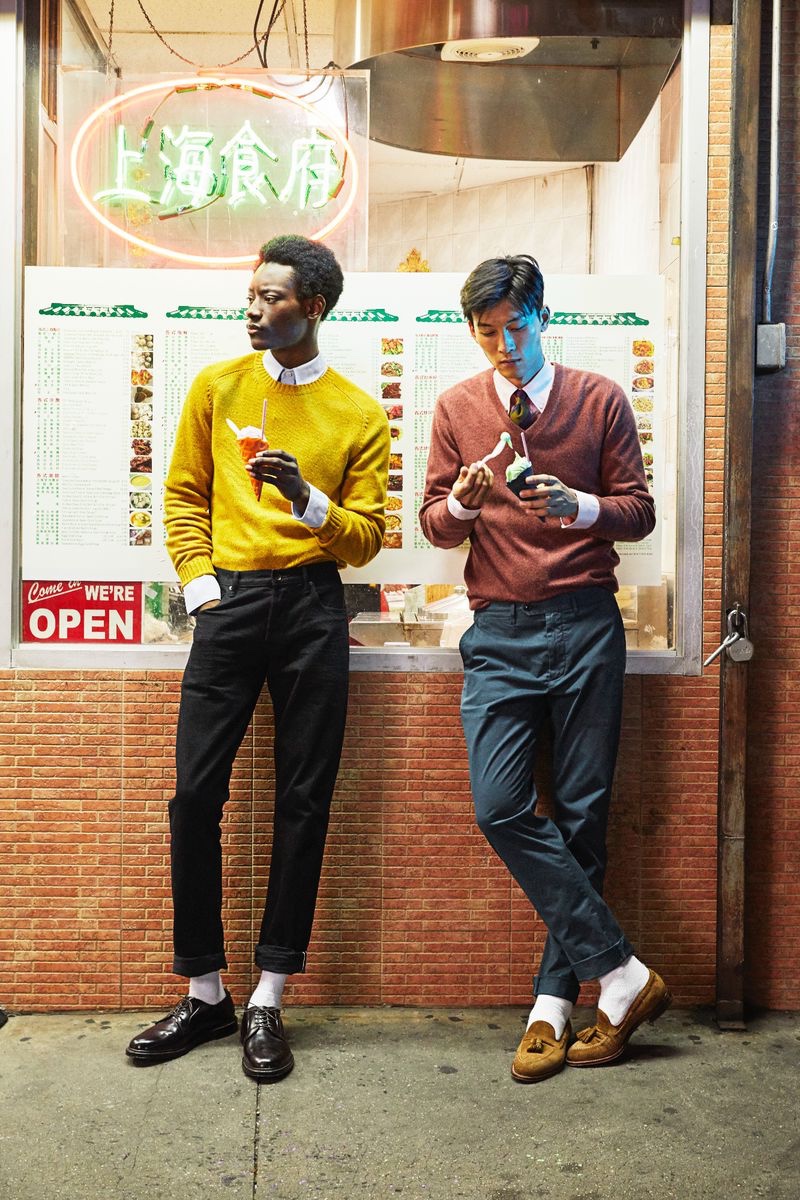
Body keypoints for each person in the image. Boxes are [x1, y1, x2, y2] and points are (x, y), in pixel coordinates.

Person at [126, 235, 390, 1082]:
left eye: (271, 297)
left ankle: (270, 995)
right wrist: (204, 590)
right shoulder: (216, 387)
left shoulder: (358, 413)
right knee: (194, 796)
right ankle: (206, 993)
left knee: (303, 799)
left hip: (314, 604)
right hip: (230, 604)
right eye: (250, 294)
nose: (251, 308)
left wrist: (304, 496)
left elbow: (366, 541)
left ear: (312, 306)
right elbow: (182, 495)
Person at [419, 254, 669, 1083]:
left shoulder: (599, 398)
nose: (501, 346)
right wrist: (461, 499)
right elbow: (434, 524)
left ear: (542, 318)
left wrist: (581, 506)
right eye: (485, 332)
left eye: (514, 328)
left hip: (586, 625)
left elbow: (639, 513)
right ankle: (624, 973)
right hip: (499, 633)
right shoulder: (457, 408)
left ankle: (553, 1005)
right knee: (498, 806)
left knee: (582, 817)